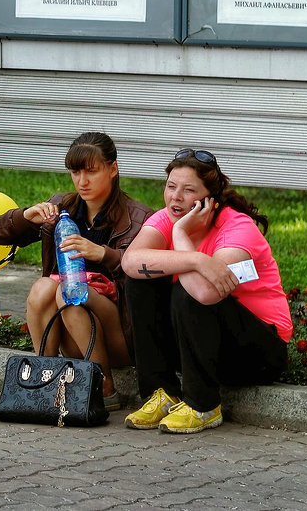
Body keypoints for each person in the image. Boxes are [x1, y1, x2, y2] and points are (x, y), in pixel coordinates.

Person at [121, 149, 291, 434]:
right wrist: (197, 258)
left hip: (259, 352)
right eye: (171, 186)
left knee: (189, 291)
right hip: (205, 345)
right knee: (141, 281)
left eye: (188, 190)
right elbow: (130, 262)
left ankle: (203, 406)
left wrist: (180, 237)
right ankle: (161, 394)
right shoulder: (168, 218)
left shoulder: (237, 228)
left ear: (210, 198)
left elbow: (204, 294)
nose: (175, 197)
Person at [0, 132, 151, 409]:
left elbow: (151, 275)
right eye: (75, 172)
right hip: (71, 329)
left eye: (91, 171)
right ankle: (44, 380)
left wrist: (104, 254)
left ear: (113, 169)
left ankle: (104, 386)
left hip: (120, 335)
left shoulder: (138, 219)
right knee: (43, 288)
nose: (82, 181)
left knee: (70, 294)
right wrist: (26, 216)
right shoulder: (63, 208)